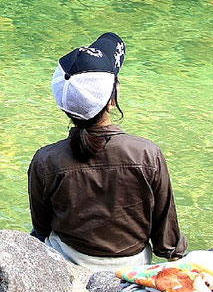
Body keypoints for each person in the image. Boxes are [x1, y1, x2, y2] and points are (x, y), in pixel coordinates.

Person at [28, 32, 187, 271]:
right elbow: (166, 240)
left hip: (69, 262)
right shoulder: (147, 154)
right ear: (111, 100)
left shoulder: (45, 161)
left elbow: (41, 228)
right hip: (132, 265)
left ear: (64, 107)